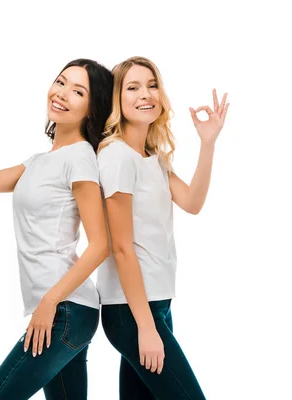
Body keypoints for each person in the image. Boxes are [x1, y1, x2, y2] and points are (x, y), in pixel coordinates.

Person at [0, 58, 113, 399]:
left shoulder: (80, 157)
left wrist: (50, 301)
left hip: (64, 310)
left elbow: (100, 244)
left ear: (92, 107)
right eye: (60, 82)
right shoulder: (39, 162)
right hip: (66, 311)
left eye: (78, 91)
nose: (62, 93)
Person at [96, 56, 230, 399]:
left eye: (152, 85)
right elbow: (121, 248)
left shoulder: (152, 157)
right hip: (130, 310)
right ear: (117, 99)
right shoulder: (116, 157)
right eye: (133, 87)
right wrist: (145, 326)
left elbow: (193, 203)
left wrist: (208, 143)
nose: (146, 94)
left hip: (157, 303)